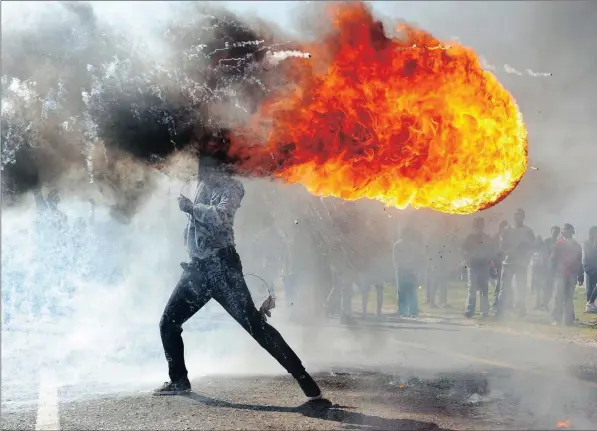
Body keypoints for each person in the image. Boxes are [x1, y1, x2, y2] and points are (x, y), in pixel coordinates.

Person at [154, 132, 322, 399]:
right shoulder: (202, 187)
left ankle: (302, 377)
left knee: (256, 326)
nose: (202, 172)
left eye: (207, 166)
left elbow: (221, 217)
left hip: (222, 269)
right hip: (198, 270)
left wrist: (191, 209)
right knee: (168, 323)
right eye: (201, 167)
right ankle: (179, 380)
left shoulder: (231, 188)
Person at [495, 208, 535, 318]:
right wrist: (507, 250)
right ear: (514, 216)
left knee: (521, 287)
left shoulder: (528, 231)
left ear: (523, 217)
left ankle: (520, 310)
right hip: (508, 262)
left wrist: (526, 258)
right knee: (504, 287)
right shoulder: (507, 229)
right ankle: (501, 309)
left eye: (520, 215)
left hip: (521, 263)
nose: (518, 217)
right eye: (516, 215)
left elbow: (532, 247)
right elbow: (502, 245)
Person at [550, 223, 584, 325]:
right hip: (560, 274)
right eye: (565, 230)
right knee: (558, 296)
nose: (566, 232)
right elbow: (553, 258)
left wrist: (580, 274)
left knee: (569, 297)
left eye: (568, 230)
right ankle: (556, 318)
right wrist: (552, 271)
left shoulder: (577, 245)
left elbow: (579, 260)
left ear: (571, 232)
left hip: (572, 274)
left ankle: (568, 320)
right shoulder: (558, 243)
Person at [462, 217, 494, 318]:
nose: (480, 226)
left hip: (483, 264)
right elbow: (464, 249)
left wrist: (490, 261)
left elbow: (490, 250)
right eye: (478, 224)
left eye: (481, 224)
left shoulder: (486, 237)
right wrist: (467, 258)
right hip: (473, 264)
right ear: (475, 225)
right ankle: (469, 310)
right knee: (472, 288)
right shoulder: (470, 237)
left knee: (483, 288)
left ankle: (484, 311)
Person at [393, 227, 424, 317]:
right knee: (409, 292)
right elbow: (396, 259)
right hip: (406, 270)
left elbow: (396, 259)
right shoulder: (408, 246)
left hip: (406, 271)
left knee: (407, 291)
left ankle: (406, 311)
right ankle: (409, 311)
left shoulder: (400, 245)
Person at [541, 226, 561, 310]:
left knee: (554, 286)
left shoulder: (559, 242)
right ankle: (544, 302)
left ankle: (547, 303)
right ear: (551, 231)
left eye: (557, 231)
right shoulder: (547, 241)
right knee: (546, 285)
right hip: (547, 266)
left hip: (556, 267)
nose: (555, 232)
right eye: (554, 230)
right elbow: (543, 253)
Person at [490, 220, 508, 312]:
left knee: (504, 284)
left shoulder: (508, 237)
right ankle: (495, 303)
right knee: (499, 284)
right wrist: (493, 262)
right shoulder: (496, 237)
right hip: (498, 263)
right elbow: (492, 250)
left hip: (506, 262)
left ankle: (504, 304)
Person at [530, 235, 549, 310]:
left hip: (542, 270)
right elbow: (533, 263)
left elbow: (546, 261)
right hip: (536, 271)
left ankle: (544, 304)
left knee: (543, 289)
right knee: (537, 289)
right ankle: (538, 304)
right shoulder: (534, 250)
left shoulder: (543, 249)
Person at [583, 226, 597, 313]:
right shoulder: (587, 243)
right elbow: (590, 254)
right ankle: (589, 304)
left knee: (592, 286)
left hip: (595, 266)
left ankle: (590, 303)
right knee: (590, 287)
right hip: (590, 267)